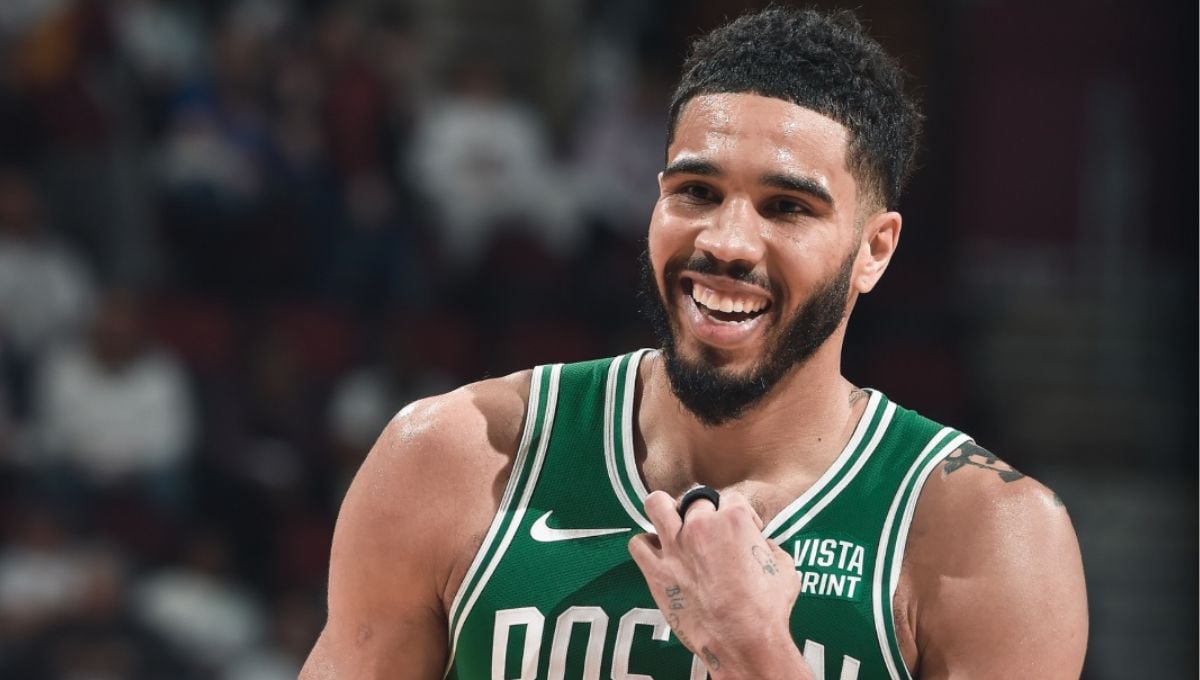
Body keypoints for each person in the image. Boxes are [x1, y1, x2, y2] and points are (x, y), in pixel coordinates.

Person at [301, 8, 1088, 679]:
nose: (726, 241)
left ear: (874, 250)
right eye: (697, 192)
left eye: (787, 207)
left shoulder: (985, 536)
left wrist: (756, 653)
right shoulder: (449, 461)